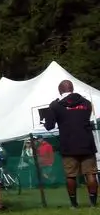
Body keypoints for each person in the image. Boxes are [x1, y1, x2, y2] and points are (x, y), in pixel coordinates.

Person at [43, 79, 98, 208]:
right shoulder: (86, 103)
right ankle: (93, 204)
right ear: (72, 89)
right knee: (91, 174)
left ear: (60, 90)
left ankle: (74, 204)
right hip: (87, 143)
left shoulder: (55, 105)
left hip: (68, 144)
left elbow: (49, 126)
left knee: (71, 176)